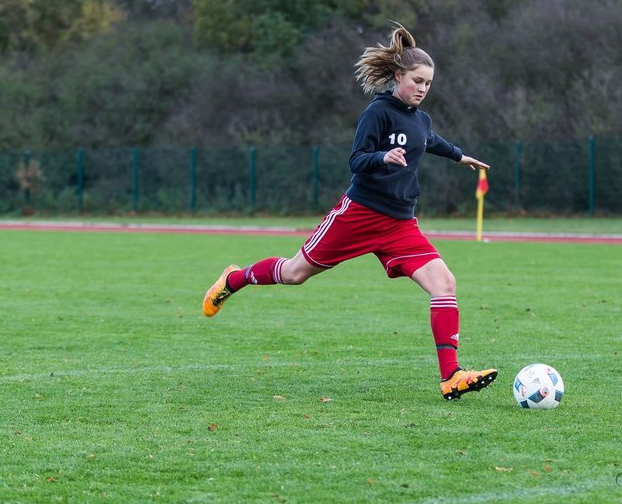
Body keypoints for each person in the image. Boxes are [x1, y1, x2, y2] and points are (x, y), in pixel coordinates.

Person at [202, 24, 498, 401]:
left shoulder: (421, 119)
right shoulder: (378, 113)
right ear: (397, 77)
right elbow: (356, 160)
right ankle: (235, 279)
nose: (423, 88)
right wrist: (382, 157)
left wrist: (459, 156)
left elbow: (429, 140)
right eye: (417, 80)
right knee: (294, 274)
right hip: (358, 215)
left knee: (445, 284)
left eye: (428, 83)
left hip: (401, 224)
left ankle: (451, 376)